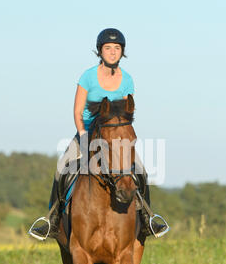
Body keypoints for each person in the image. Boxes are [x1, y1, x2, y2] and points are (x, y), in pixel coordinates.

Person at [30, 28, 167, 240]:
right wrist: (83, 135)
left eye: (117, 48)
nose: (113, 52)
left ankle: (148, 219)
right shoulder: (87, 77)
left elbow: (127, 114)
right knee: (61, 169)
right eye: (108, 48)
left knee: (141, 171)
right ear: (100, 51)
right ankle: (52, 220)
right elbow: (77, 111)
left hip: (115, 138)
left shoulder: (127, 80)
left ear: (122, 52)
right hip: (87, 134)